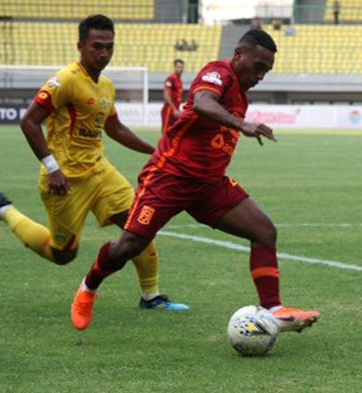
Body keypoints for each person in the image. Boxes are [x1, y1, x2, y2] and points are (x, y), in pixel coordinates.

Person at [70, 29, 320, 332]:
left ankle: (274, 309)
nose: (261, 75)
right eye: (258, 66)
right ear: (239, 54)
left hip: (209, 185)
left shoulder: (242, 92)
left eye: (266, 70)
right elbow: (202, 102)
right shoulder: (218, 73)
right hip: (169, 177)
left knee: (264, 230)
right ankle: (88, 288)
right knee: (129, 246)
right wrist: (243, 125)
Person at [0, 15, 187, 311]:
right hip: (65, 181)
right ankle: (4, 209)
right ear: (80, 46)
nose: (104, 53)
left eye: (109, 47)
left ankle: (151, 296)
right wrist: (52, 167)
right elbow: (29, 122)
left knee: (140, 226)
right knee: (63, 255)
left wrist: (156, 150)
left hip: (101, 172)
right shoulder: (66, 80)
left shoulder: (106, 86)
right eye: (97, 46)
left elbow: (115, 129)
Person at [161, 59, 184, 134]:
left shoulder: (179, 80)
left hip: (175, 110)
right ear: (174, 67)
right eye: (178, 67)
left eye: (181, 67)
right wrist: (174, 109)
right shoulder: (171, 79)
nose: (180, 69)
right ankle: (162, 146)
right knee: (166, 132)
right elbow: (166, 95)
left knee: (175, 131)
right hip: (169, 110)